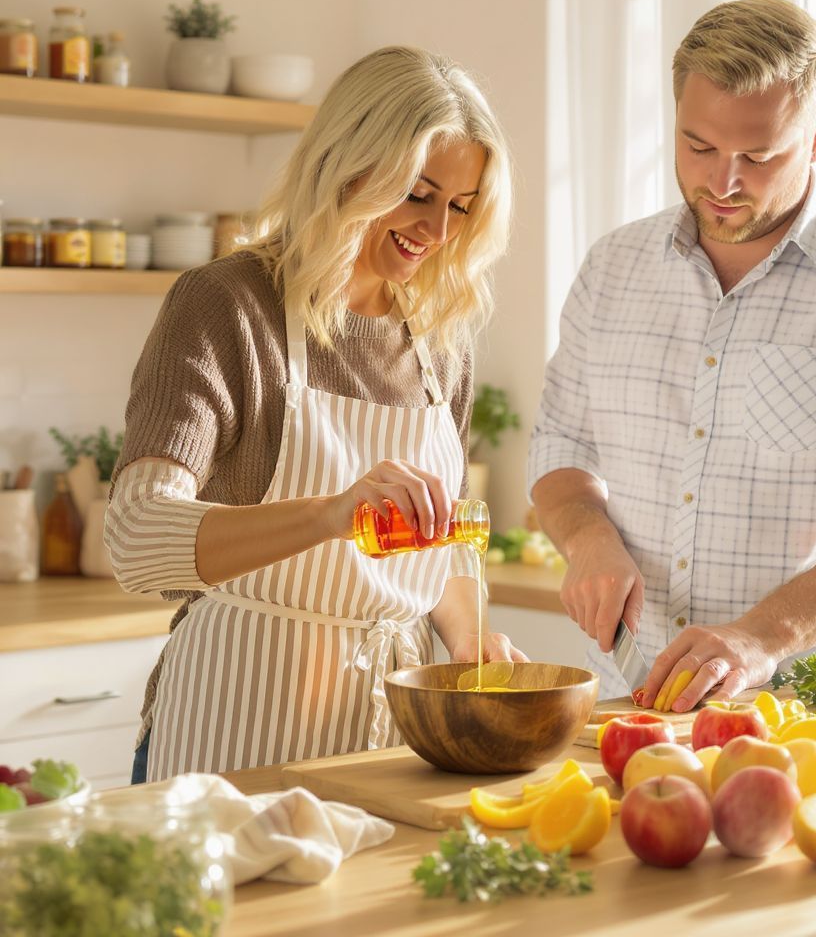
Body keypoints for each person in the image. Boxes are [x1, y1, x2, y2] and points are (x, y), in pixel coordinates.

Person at [528, 0, 816, 713]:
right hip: (629, 698)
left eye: (759, 156)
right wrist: (587, 538)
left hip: (813, 710)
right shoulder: (612, 267)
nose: (723, 182)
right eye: (698, 146)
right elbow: (560, 448)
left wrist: (762, 638)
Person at [106, 46, 526, 783]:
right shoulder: (228, 306)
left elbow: (444, 542)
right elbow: (137, 536)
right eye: (417, 193)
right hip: (233, 726)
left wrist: (469, 640)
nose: (437, 230)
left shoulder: (439, 343)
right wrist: (335, 513)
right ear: (349, 164)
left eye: (461, 207)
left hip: (389, 738)